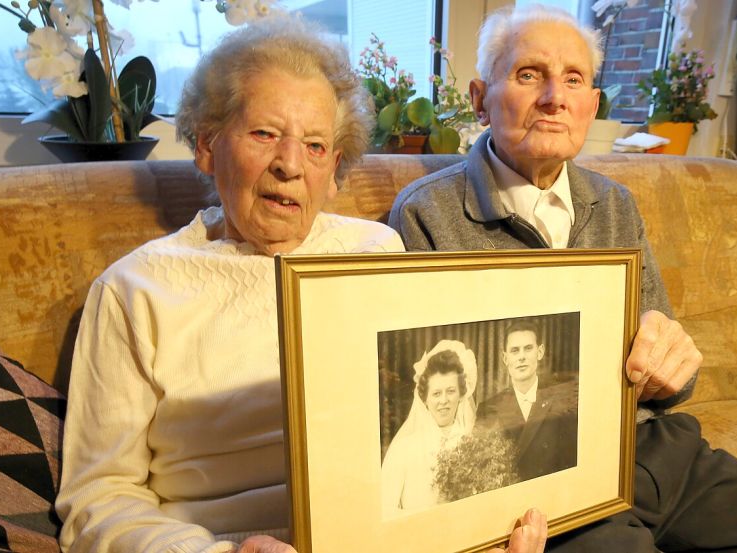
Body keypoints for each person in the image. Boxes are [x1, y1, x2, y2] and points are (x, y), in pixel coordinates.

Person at [388, 4, 737, 552]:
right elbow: (438, 409)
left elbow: (669, 372)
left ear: (591, 105)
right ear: (479, 97)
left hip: (659, 453)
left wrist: (674, 365)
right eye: (528, 75)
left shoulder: (613, 203)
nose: (554, 98)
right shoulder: (428, 212)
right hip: (544, 490)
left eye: (574, 80)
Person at [53, 14, 547, 553]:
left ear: (334, 171)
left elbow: (423, 432)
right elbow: (98, 497)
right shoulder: (135, 290)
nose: (290, 165)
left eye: (315, 146)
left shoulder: (375, 252)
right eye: (265, 134)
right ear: (207, 146)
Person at [380, 340, 477, 515]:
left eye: (451, 391)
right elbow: (384, 511)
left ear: (462, 394)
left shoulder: (472, 444)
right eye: (436, 393)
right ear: (425, 399)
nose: (444, 401)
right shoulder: (404, 449)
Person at [476, 321, 577, 482]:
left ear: (540, 352)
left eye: (528, 348)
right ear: (505, 357)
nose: (521, 357)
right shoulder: (488, 408)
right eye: (515, 351)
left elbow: (571, 464)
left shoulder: (563, 401)